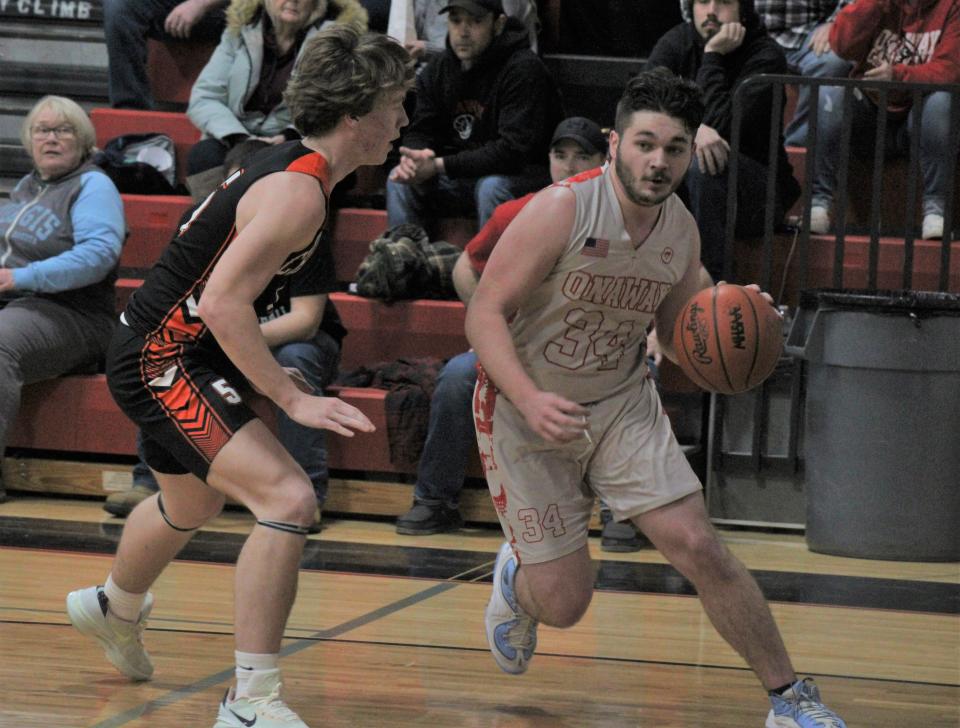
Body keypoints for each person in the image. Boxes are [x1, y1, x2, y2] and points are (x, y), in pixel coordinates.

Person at [466, 69, 847, 727]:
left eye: (673, 148)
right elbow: (483, 314)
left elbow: (676, 336)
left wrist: (734, 322)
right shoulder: (562, 207)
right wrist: (528, 399)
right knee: (566, 604)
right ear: (614, 142)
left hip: (619, 404)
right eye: (645, 143)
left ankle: (791, 701)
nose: (658, 161)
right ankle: (519, 585)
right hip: (526, 408)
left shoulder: (681, 231)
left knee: (699, 545)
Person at [66, 26, 414, 728]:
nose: (404, 119)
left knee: (191, 506)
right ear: (356, 117)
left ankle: (112, 607)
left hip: (164, 351)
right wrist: (290, 395)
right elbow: (223, 302)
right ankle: (250, 703)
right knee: (288, 500)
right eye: (397, 104)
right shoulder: (299, 194)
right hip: (162, 360)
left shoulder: (294, 167)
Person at [105, 140, 345, 534]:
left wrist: (247, 350)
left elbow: (305, 320)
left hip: (292, 334)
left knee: (296, 363)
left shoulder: (296, 213)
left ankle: (312, 489)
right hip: (206, 338)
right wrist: (233, 344)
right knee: (170, 364)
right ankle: (151, 479)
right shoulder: (212, 225)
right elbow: (201, 313)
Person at [395, 116, 608, 534]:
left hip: (594, 350)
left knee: (636, 381)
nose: (568, 166)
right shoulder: (519, 211)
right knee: (458, 376)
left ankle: (620, 512)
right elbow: (464, 267)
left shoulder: (620, 220)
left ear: (604, 161)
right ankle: (435, 499)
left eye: (581, 156)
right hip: (525, 347)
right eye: (559, 155)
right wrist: (489, 330)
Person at [0, 96, 125, 504]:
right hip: (18, 303)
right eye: (42, 130)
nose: (51, 139)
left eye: (63, 130)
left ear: (83, 140)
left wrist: (21, 276)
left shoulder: (93, 185)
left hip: (74, 313)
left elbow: (97, 256)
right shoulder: (25, 188)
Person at [646, 0, 801, 280]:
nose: (711, 11)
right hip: (687, 183)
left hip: (758, 193)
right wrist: (692, 131)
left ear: (743, 10)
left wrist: (712, 56)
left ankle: (710, 283)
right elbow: (641, 108)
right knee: (638, 155)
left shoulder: (765, 55)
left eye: (724, 2)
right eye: (703, 1)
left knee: (704, 163)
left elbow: (724, 127)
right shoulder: (676, 42)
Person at [386, 0, 563, 231]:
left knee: (492, 187)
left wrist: (439, 165)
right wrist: (415, 159)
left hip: (523, 177)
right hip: (461, 175)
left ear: (498, 24)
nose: (463, 31)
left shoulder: (524, 69)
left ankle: (491, 267)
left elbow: (511, 153)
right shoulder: (439, 69)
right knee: (399, 180)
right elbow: (420, 130)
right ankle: (403, 261)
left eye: (475, 21)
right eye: (456, 21)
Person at [808, 0, 960, 240]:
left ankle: (936, 209)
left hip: (918, 117)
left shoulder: (952, 7)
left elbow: (949, 69)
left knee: (942, 100)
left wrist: (898, 75)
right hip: (870, 112)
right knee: (831, 94)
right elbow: (841, 46)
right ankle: (818, 204)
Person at [186, 0, 368, 180]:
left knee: (303, 161)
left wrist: (288, 135)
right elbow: (205, 97)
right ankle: (215, 209)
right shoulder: (238, 32)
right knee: (204, 156)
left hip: (299, 138)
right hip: (237, 134)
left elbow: (336, 106)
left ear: (317, 4)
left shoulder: (335, 42)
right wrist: (238, 137)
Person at [678, 0, 855, 147]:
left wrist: (836, 22)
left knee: (834, 61)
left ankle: (797, 147)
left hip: (805, 35)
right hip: (740, 34)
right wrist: (695, 28)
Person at [103, 0, 228, 109]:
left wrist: (200, 3)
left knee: (244, 12)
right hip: (166, 9)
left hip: (222, 12)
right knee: (118, 5)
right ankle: (130, 113)